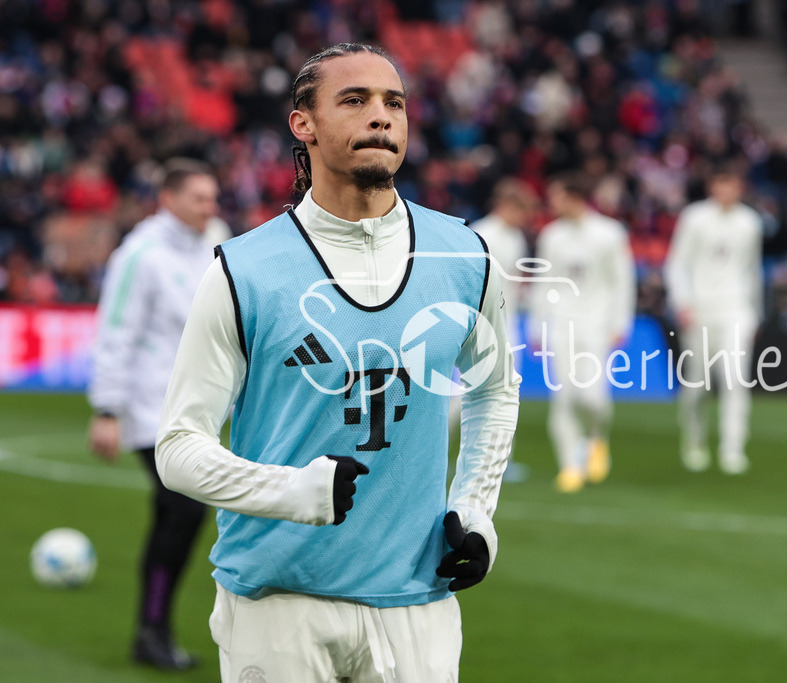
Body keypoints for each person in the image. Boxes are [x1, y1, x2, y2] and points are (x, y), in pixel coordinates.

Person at [155, 43, 519, 682]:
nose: (381, 116)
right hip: (276, 604)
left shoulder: (466, 256)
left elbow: (496, 389)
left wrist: (476, 506)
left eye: (394, 103)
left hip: (419, 601)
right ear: (304, 123)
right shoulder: (244, 270)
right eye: (355, 101)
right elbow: (179, 448)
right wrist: (290, 491)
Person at [88, 158, 219, 670]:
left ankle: (152, 631)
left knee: (176, 514)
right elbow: (115, 329)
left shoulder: (213, 243)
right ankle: (152, 630)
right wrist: (106, 408)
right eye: (199, 198)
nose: (210, 207)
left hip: (195, 408)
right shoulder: (140, 254)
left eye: (212, 198)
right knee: (184, 509)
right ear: (169, 199)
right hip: (150, 408)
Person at [529, 172, 635, 493]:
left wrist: (620, 323)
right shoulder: (552, 235)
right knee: (563, 397)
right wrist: (537, 326)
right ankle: (571, 466)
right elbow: (543, 282)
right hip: (562, 323)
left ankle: (597, 438)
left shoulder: (609, 234)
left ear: (573, 197)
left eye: (557, 195)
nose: (552, 202)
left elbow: (622, 280)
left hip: (597, 325)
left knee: (594, 399)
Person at [663, 163, 763, 475]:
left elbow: (752, 270)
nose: (725, 191)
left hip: (736, 310)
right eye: (720, 184)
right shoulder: (695, 218)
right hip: (700, 310)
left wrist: (754, 313)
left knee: (735, 379)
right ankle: (693, 440)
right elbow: (677, 264)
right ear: (712, 187)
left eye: (731, 184)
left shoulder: (750, 222)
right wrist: (683, 303)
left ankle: (733, 448)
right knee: (697, 384)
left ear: (739, 187)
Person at [470, 177, 538, 483]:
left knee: (505, 392)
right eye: (521, 209)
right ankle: (431, 451)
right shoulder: (482, 234)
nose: (525, 216)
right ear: (507, 205)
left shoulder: (515, 237)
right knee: (463, 397)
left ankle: (500, 459)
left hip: (509, 323)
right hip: (483, 325)